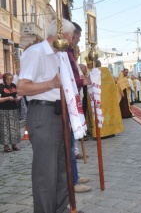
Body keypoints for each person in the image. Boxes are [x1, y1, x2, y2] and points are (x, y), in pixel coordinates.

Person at [17, 18, 75, 213]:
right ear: (63, 35)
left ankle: (60, 208)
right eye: (72, 36)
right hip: (43, 113)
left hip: (59, 113)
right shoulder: (36, 52)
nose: (73, 41)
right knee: (45, 170)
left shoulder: (60, 54)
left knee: (61, 167)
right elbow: (22, 87)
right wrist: (51, 84)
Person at [68, 22, 91, 192]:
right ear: (72, 35)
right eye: (78, 37)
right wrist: (84, 81)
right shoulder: (65, 54)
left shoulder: (70, 54)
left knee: (71, 141)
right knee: (69, 144)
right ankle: (73, 180)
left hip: (74, 98)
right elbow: (68, 79)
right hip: (67, 102)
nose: (79, 41)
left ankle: (75, 175)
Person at [0, 73, 22, 152]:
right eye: (7, 80)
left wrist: (18, 98)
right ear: (4, 80)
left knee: (14, 127)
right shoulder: (1, 86)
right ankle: (6, 146)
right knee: (5, 128)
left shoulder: (13, 85)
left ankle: (14, 144)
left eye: (10, 80)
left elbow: (19, 94)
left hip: (14, 109)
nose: (9, 81)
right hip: (4, 110)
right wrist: (7, 98)